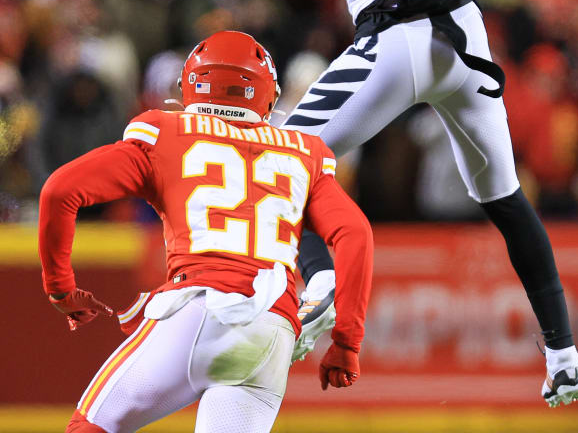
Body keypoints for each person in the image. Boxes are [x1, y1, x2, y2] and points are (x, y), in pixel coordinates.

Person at [203, 0, 578, 406]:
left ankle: (319, 283)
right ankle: (563, 356)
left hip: (392, 39)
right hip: (464, 29)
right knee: (507, 202)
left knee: (272, 168)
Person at [38, 31, 374, 433]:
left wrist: (60, 287)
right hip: (270, 328)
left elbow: (60, 190)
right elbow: (355, 234)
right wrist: (346, 343)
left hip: (195, 309)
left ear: (191, 86)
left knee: (90, 427)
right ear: (268, 94)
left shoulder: (165, 132)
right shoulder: (306, 150)